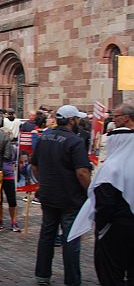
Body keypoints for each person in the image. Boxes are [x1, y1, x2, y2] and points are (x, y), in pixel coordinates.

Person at [68, 103, 133, 285]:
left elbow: (104, 204)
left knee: (111, 272)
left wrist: (102, 225)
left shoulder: (111, 167)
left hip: (115, 229)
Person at [32, 105, 92, 286]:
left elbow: (34, 166)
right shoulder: (75, 141)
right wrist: (90, 192)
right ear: (72, 120)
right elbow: (82, 171)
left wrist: (43, 182)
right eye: (77, 119)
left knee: (47, 235)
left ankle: (42, 275)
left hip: (49, 194)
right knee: (70, 239)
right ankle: (72, 280)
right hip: (70, 197)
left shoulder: (44, 138)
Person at [0, 132, 21, 232]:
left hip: (7, 175)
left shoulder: (14, 148)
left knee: (10, 200)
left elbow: (16, 161)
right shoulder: (11, 148)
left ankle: (12, 221)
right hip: (2, 174)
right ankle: (2, 220)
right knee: (1, 200)